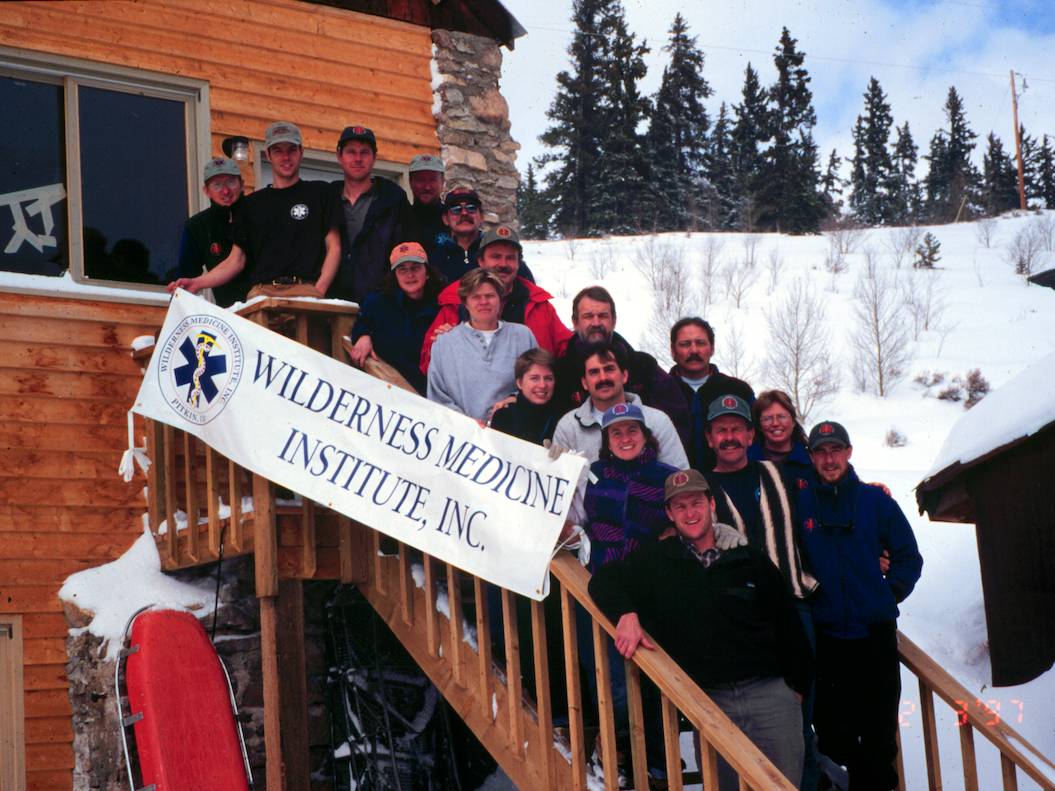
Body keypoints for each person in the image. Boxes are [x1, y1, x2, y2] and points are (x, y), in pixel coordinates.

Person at [588, 468, 814, 791]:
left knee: (781, 786)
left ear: (711, 504)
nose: (689, 513)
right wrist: (625, 613)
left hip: (769, 695)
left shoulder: (748, 558)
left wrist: (793, 691)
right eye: (680, 507)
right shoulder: (657, 562)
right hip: (710, 702)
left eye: (696, 503)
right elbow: (604, 581)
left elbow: (790, 627)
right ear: (669, 513)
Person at [798, 421, 922, 791]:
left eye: (836, 449)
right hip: (828, 640)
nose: (829, 458)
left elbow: (908, 558)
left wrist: (888, 593)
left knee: (878, 739)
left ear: (849, 452)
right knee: (835, 738)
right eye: (821, 451)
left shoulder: (876, 501)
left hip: (874, 639)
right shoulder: (800, 503)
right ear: (811, 457)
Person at [167, 121, 341, 300]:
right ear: (268, 155)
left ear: (301, 152)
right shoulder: (251, 205)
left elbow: (334, 247)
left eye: (291, 150)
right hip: (262, 295)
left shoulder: (321, 192)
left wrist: (318, 292)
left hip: (307, 291)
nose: (285, 157)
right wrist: (197, 282)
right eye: (278, 151)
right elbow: (236, 260)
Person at [419, 224, 570, 373]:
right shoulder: (455, 303)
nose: (503, 264)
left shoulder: (538, 305)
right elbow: (427, 366)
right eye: (495, 256)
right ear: (481, 261)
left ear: (519, 263)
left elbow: (568, 351)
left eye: (510, 258)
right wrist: (439, 346)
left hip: (530, 395)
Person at [553, 287, 691, 440]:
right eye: (588, 316)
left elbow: (677, 421)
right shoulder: (560, 372)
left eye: (603, 316)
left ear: (613, 321)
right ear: (575, 322)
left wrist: (650, 451)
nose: (596, 322)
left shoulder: (642, 366)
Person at [553, 341, 688, 468]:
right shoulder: (568, 426)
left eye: (609, 369)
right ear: (584, 383)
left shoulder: (657, 420)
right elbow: (559, 486)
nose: (603, 378)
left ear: (624, 376)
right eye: (594, 372)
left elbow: (681, 479)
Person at [426, 269, 537, 422]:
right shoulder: (444, 343)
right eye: (475, 297)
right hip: (463, 436)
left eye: (490, 296)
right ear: (465, 302)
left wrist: (514, 399)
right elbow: (437, 396)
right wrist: (467, 424)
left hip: (512, 434)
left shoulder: (523, 336)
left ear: (500, 300)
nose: (483, 302)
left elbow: (537, 383)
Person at [329, 125, 415, 302]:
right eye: (351, 152)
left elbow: (406, 252)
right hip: (332, 304)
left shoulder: (392, 199)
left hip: (380, 303)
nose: (358, 159)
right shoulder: (327, 198)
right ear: (339, 156)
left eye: (365, 152)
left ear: (374, 157)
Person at [347, 242, 442, 394]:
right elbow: (362, 322)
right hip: (385, 386)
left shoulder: (441, 305)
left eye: (415, 268)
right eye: (402, 270)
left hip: (429, 391)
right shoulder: (377, 302)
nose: (409, 275)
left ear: (427, 272)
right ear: (394, 275)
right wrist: (363, 335)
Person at [669, 317, 754, 473]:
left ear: (712, 348)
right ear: (673, 350)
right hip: (677, 488)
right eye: (685, 344)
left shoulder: (738, 390)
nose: (694, 350)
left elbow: (755, 441)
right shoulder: (660, 390)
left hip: (732, 482)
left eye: (700, 343)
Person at [173, 156, 251, 307]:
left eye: (231, 182)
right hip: (229, 316)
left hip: (266, 304)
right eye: (217, 185)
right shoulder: (197, 226)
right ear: (206, 191)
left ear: (242, 185)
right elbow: (186, 277)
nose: (225, 190)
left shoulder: (257, 212)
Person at [429, 187, 536, 285]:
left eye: (471, 208)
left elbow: (530, 294)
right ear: (445, 219)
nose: (464, 213)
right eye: (456, 209)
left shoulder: (500, 253)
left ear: (481, 216)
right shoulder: (436, 258)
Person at [489, 348, 561, 445]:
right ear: (519, 383)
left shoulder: (563, 419)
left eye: (548, 378)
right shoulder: (504, 417)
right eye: (534, 378)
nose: (542, 385)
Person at [747, 389, 812, 478]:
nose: (775, 423)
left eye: (782, 417)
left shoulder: (810, 460)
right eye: (767, 418)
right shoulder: (746, 460)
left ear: (793, 421)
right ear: (759, 426)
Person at [407, 153, 447, 254]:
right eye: (420, 180)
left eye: (432, 180)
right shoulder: (400, 219)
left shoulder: (452, 220)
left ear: (442, 182)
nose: (427, 187)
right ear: (410, 182)